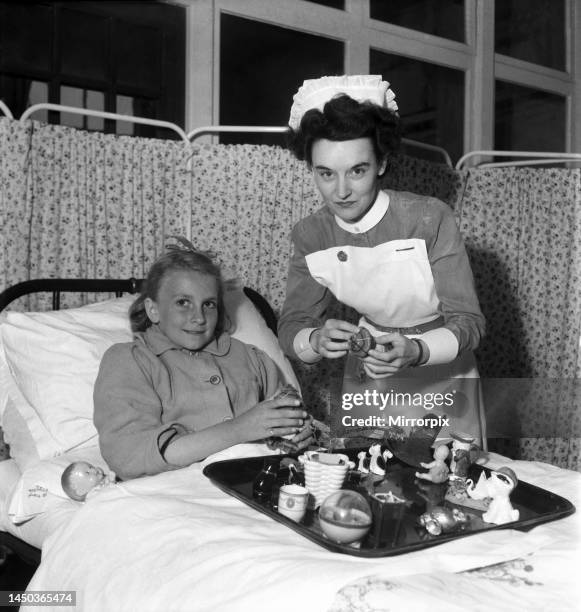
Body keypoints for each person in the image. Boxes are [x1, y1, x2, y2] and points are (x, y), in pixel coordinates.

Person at [278, 75, 486, 443]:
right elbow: (292, 324)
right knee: (369, 480)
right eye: (326, 173)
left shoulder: (429, 218)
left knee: (447, 485)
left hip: (440, 365)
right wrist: (315, 340)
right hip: (370, 368)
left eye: (356, 171)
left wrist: (418, 351)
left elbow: (469, 323)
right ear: (311, 169)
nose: (341, 191)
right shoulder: (311, 235)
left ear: (382, 164)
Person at [94, 239, 314, 480]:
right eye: (183, 303)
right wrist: (240, 429)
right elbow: (129, 456)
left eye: (208, 304)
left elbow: (288, 419)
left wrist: (300, 432)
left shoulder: (251, 357)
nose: (198, 317)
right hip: (172, 492)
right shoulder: (130, 360)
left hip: (256, 482)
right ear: (153, 309)